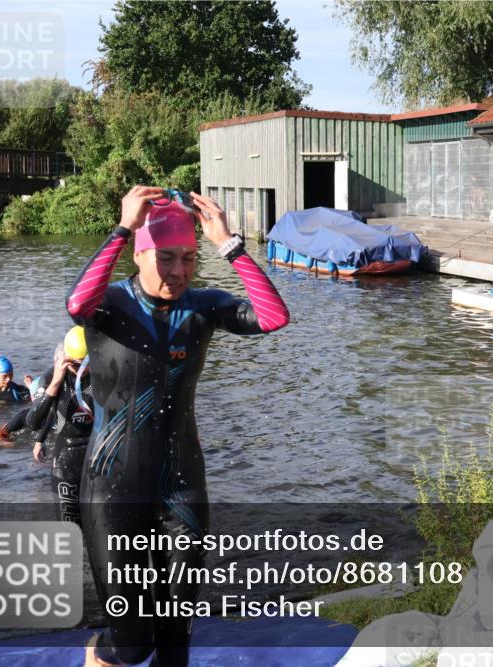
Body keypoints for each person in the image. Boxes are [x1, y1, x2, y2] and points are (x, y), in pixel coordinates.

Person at [67, 186, 289, 667]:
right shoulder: (109, 306)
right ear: (140, 254)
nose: (180, 271)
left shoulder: (204, 306)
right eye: (167, 258)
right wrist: (123, 227)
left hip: (181, 484)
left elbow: (273, 318)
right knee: (131, 643)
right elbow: (75, 305)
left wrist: (229, 245)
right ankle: (97, 655)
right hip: (112, 485)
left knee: (175, 638)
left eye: (189, 258)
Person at [27, 326, 94, 524]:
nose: (81, 371)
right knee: (70, 526)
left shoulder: (102, 373)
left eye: (86, 364)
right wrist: (55, 383)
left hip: (97, 452)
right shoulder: (51, 377)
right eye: (75, 365)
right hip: (67, 456)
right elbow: (33, 421)